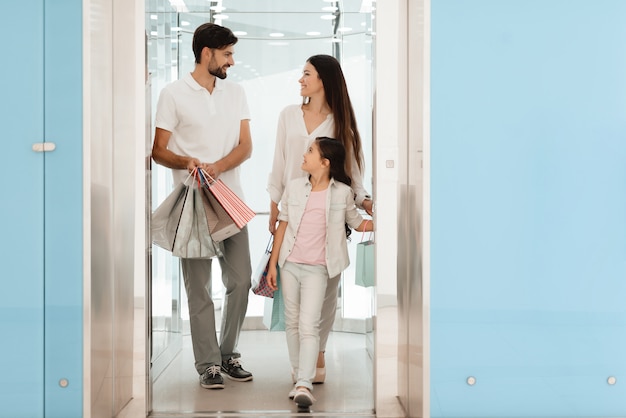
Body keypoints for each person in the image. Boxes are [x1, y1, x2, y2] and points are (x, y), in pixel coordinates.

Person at [151, 22, 253, 390]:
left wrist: (219, 167)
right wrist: (187, 162)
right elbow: (158, 150)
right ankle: (208, 363)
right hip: (192, 204)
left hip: (232, 200)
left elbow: (245, 145)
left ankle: (228, 352)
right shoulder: (173, 94)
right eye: (227, 54)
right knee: (198, 287)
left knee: (241, 280)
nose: (232, 61)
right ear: (206, 53)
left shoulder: (236, 92)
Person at [267, 54, 373, 383]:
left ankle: (319, 350)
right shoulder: (288, 115)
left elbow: (353, 174)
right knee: (294, 291)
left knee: (326, 292)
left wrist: (365, 202)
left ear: (324, 80)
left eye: (307, 74)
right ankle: (303, 357)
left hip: (331, 218)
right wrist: (274, 207)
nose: (300, 80)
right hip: (292, 210)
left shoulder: (342, 125)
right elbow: (279, 163)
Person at [266, 137, 374, 408]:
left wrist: (387, 220)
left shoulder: (342, 192)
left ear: (325, 163)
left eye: (310, 151)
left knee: (309, 324)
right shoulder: (293, 187)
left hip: (318, 268)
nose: (304, 154)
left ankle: (304, 383)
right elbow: (283, 224)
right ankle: (298, 376)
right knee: (291, 322)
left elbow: (357, 223)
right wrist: (273, 266)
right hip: (289, 263)